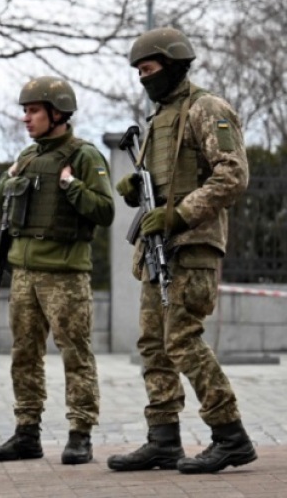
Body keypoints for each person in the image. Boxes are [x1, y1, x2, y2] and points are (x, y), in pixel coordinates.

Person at [107, 27, 256, 474]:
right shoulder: (158, 119)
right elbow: (161, 185)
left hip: (191, 247)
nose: (142, 79)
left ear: (172, 66)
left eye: (148, 70)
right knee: (153, 346)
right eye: (138, 72)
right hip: (159, 249)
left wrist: (179, 215)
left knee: (182, 341)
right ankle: (163, 440)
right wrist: (137, 189)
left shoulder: (206, 108)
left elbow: (232, 175)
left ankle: (230, 435)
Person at [0, 77, 114, 466]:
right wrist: (7, 179)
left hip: (65, 274)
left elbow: (105, 211)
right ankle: (27, 432)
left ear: (57, 113)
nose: (27, 118)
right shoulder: (26, 157)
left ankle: (81, 434)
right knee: (24, 354)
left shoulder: (85, 156)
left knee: (76, 353)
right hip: (23, 272)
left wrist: (72, 187)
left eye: (34, 111)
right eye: (25, 111)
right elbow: (0, 211)